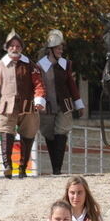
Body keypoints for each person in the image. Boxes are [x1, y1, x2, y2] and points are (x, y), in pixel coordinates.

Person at [0, 30, 46, 178]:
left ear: (21, 48)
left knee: (28, 134)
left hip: (28, 105)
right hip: (6, 105)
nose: (15, 48)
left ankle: (23, 168)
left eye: (17, 46)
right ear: (7, 47)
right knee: (5, 132)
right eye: (12, 46)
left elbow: (39, 84)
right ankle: (7, 166)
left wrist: (39, 99)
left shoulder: (30, 65)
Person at [38, 29, 85, 175]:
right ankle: (54, 168)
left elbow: (71, 84)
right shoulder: (40, 65)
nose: (61, 50)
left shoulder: (66, 64)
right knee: (49, 135)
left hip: (64, 105)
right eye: (58, 48)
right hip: (47, 105)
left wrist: (79, 103)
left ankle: (57, 169)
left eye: (61, 48)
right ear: (50, 50)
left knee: (61, 132)